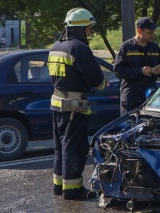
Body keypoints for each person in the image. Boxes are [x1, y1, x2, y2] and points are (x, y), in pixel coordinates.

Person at [48, 8, 106, 200]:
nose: (90, 32)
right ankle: (72, 189)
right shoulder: (79, 48)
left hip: (57, 103)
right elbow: (96, 79)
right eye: (89, 28)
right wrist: (103, 83)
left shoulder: (56, 46)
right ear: (81, 28)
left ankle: (58, 185)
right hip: (73, 106)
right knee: (74, 147)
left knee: (61, 147)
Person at [114, 17, 160, 115]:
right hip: (131, 97)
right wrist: (140, 71)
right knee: (128, 127)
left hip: (149, 97)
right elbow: (118, 71)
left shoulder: (155, 48)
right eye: (149, 32)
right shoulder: (126, 47)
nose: (152, 35)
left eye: (153, 32)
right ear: (139, 31)